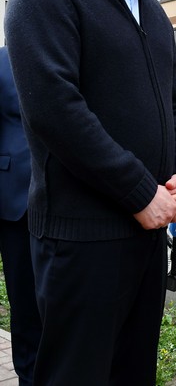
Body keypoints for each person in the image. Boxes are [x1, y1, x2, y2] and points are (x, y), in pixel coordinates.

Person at [3, 0, 176, 385]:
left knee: (133, 374)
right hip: (82, 240)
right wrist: (140, 192)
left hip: (147, 236)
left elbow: (174, 102)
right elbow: (54, 110)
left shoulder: (154, 14)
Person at [0, 47, 42, 385]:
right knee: (25, 304)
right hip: (15, 206)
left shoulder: (72, 49)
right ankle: (28, 377)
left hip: (73, 203)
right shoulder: (2, 60)